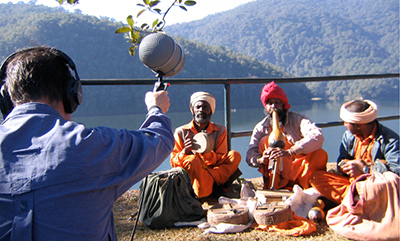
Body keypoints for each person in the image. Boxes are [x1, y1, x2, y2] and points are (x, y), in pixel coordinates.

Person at [0, 47, 174, 240]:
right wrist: (155, 109)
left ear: (6, 99)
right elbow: (158, 140)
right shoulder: (91, 147)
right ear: (72, 94)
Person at [309, 100, 399, 241]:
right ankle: (355, 199)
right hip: (351, 184)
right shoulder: (349, 136)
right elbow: (342, 159)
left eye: (346, 122)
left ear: (358, 125)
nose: (344, 125)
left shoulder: (390, 140)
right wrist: (345, 165)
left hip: (373, 186)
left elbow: (396, 171)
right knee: (316, 177)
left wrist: (365, 169)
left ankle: (343, 201)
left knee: (384, 184)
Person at [246, 81, 327, 190]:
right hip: (278, 177)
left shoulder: (298, 120)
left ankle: (308, 188)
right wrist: (261, 160)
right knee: (265, 141)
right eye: (270, 103)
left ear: (284, 105)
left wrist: (291, 152)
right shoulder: (261, 127)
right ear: (266, 107)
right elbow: (251, 154)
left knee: (319, 154)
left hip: (299, 170)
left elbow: (317, 136)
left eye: (277, 102)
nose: (274, 107)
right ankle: (275, 185)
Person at [170, 91, 241, 199]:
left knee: (234, 156)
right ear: (193, 110)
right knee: (191, 160)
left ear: (211, 111)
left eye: (205, 107)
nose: (201, 110)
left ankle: (208, 184)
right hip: (195, 173)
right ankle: (212, 188)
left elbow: (221, 156)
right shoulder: (181, 132)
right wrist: (185, 152)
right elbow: (173, 161)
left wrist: (207, 154)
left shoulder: (220, 130)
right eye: (198, 107)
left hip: (213, 169)